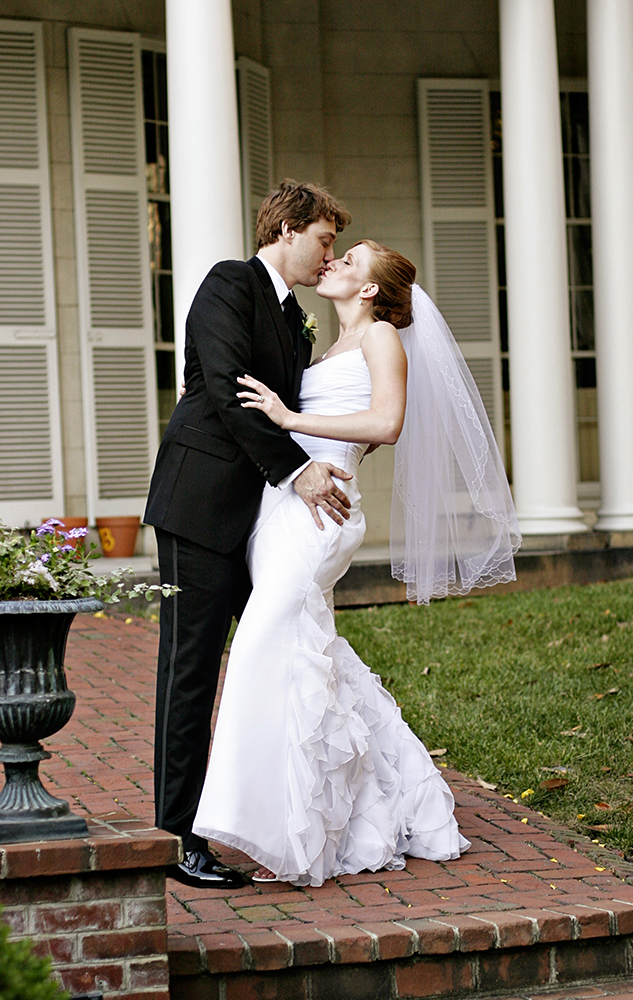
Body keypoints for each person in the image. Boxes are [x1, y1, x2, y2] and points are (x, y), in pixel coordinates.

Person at [192, 240, 521, 885]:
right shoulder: (328, 345)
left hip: (326, 509)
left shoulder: (381, 340)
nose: (335, 263)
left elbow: (388, 422)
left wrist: (287, 416)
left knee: (262, 646)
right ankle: (354, 800)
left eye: (351, 261)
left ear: (369, 289)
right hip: (287, 508)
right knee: (303, 652)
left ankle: (271, 825)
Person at [144, 181, 352, 888]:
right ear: (288, 230)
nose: (329, 256)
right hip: (199, 509)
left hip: (257, 522)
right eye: (323, 239)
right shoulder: (229, 282)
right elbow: (231, 388)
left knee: (276, 664)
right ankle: (177, 838)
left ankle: (259, 818)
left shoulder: (294, 316)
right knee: (191, 674)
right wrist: (299, 473)